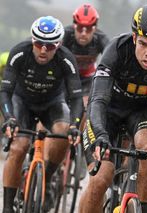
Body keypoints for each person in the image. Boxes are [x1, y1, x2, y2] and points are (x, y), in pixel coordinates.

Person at [79, 4, 147, 213]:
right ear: (134, 38)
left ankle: (144, 207)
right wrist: (101, 134)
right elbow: (98, 99)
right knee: (101, 177)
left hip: (142, 109)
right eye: (143, 44)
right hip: (108, 110)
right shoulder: (118, 49)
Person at [0, 16, 83, 213]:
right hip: (22, 102)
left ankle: (47, 178)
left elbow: (76, 98)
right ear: (32, 40)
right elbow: (5, 91)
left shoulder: (66, 59)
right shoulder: (19, 53)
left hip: (52, 103)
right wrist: (9, 117)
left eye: (50, 45)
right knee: (19, 147)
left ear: (59, 44)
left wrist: (75, 125)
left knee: (63, 132)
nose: (44, 49)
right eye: (39, 43)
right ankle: (7, 206)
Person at [63, 3, 109, 130]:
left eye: (88, 29)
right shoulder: (65, 35)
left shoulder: (101, 39)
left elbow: (111, 60)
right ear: (74, 25)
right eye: (80, 28)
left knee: (84, 107)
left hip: (87, 80)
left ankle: (79, 136)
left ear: (94, 28)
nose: (83, 33)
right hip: (66, 79)